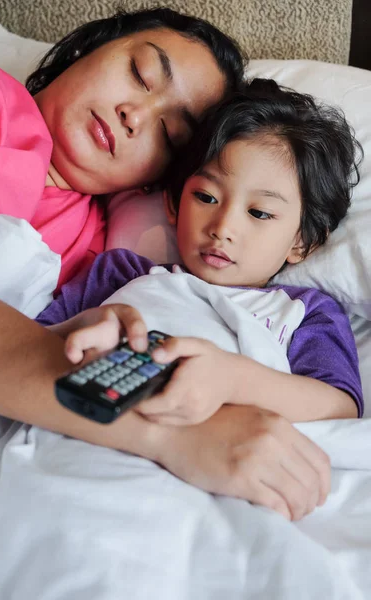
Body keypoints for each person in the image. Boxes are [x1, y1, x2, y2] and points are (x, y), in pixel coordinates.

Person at [36, 80, 363, 517]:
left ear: (302, 242)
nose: (223, 225)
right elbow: (28, 343)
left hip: (220, 481)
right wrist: (81, 327)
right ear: (173, 204)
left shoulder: (302, 312)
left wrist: (232, 380)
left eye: (259, 213)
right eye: (205, 197)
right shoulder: (120, 275)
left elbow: (338, 408)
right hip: (83, 449)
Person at [0, 6, 245, 287]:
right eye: (140, 74)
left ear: (153, 181)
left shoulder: (97, 265)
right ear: (88, 46)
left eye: (168, 134)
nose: (134, 116)